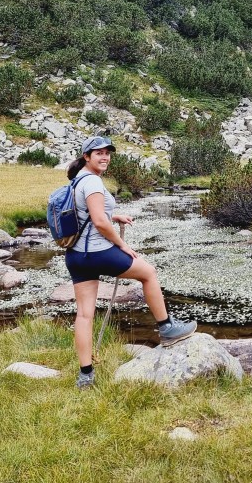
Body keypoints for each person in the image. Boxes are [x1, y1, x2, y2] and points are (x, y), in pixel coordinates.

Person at [65, 135, 196, 389]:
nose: (104, 157)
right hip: (99, 253)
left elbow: (89, 214)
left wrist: (115, 216)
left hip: (76, 256)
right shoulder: (91, 180)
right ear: (86, 157)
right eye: (98, 153)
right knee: (148, 272)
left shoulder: (77, 179)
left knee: (84, 314)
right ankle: (167, 328)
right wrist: (122, 245)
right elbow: (98, 222)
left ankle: (85, 375)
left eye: (107, 153)